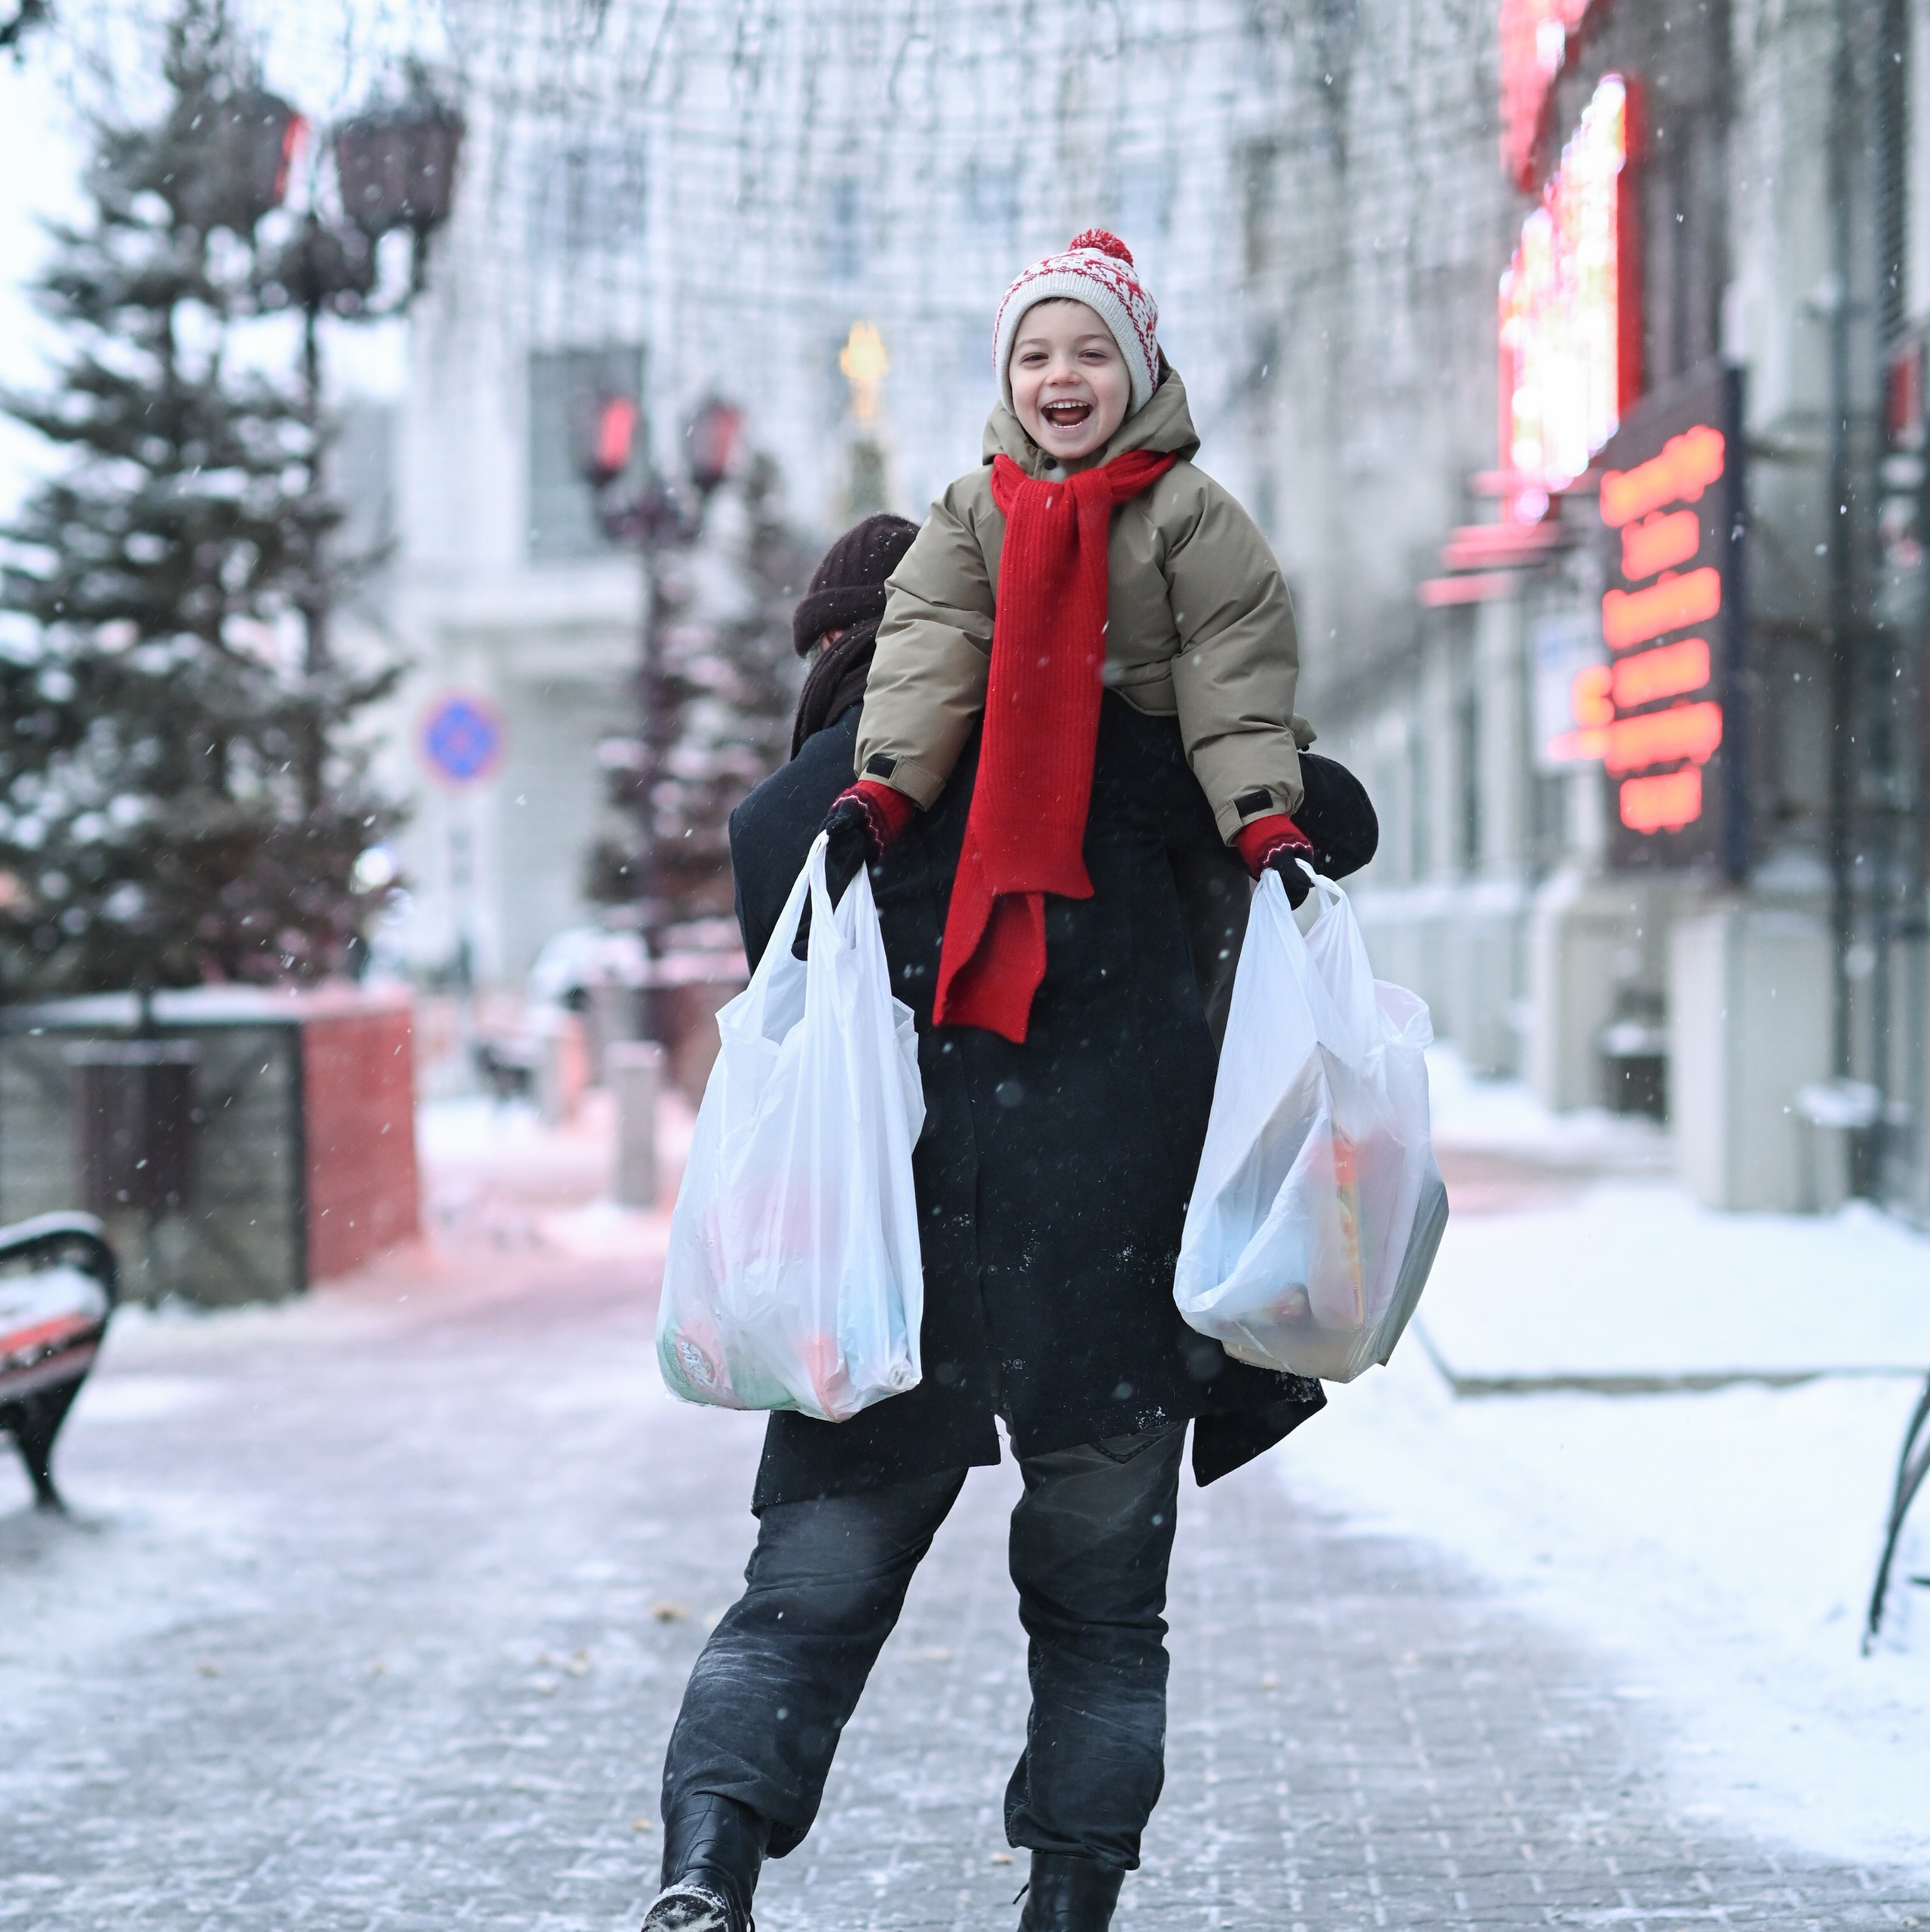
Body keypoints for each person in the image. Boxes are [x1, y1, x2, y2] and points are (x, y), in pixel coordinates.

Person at [644, 233, 1377, 1932]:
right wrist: (1255, 813)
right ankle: (1067, 1900)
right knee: (1103, 1613)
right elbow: (1310, 811)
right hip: (1115, 1244)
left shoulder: (807, 819)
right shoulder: (1137, 770)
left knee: (806, 1594)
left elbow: (790, 921)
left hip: (887, 1261)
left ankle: (708, 1861)